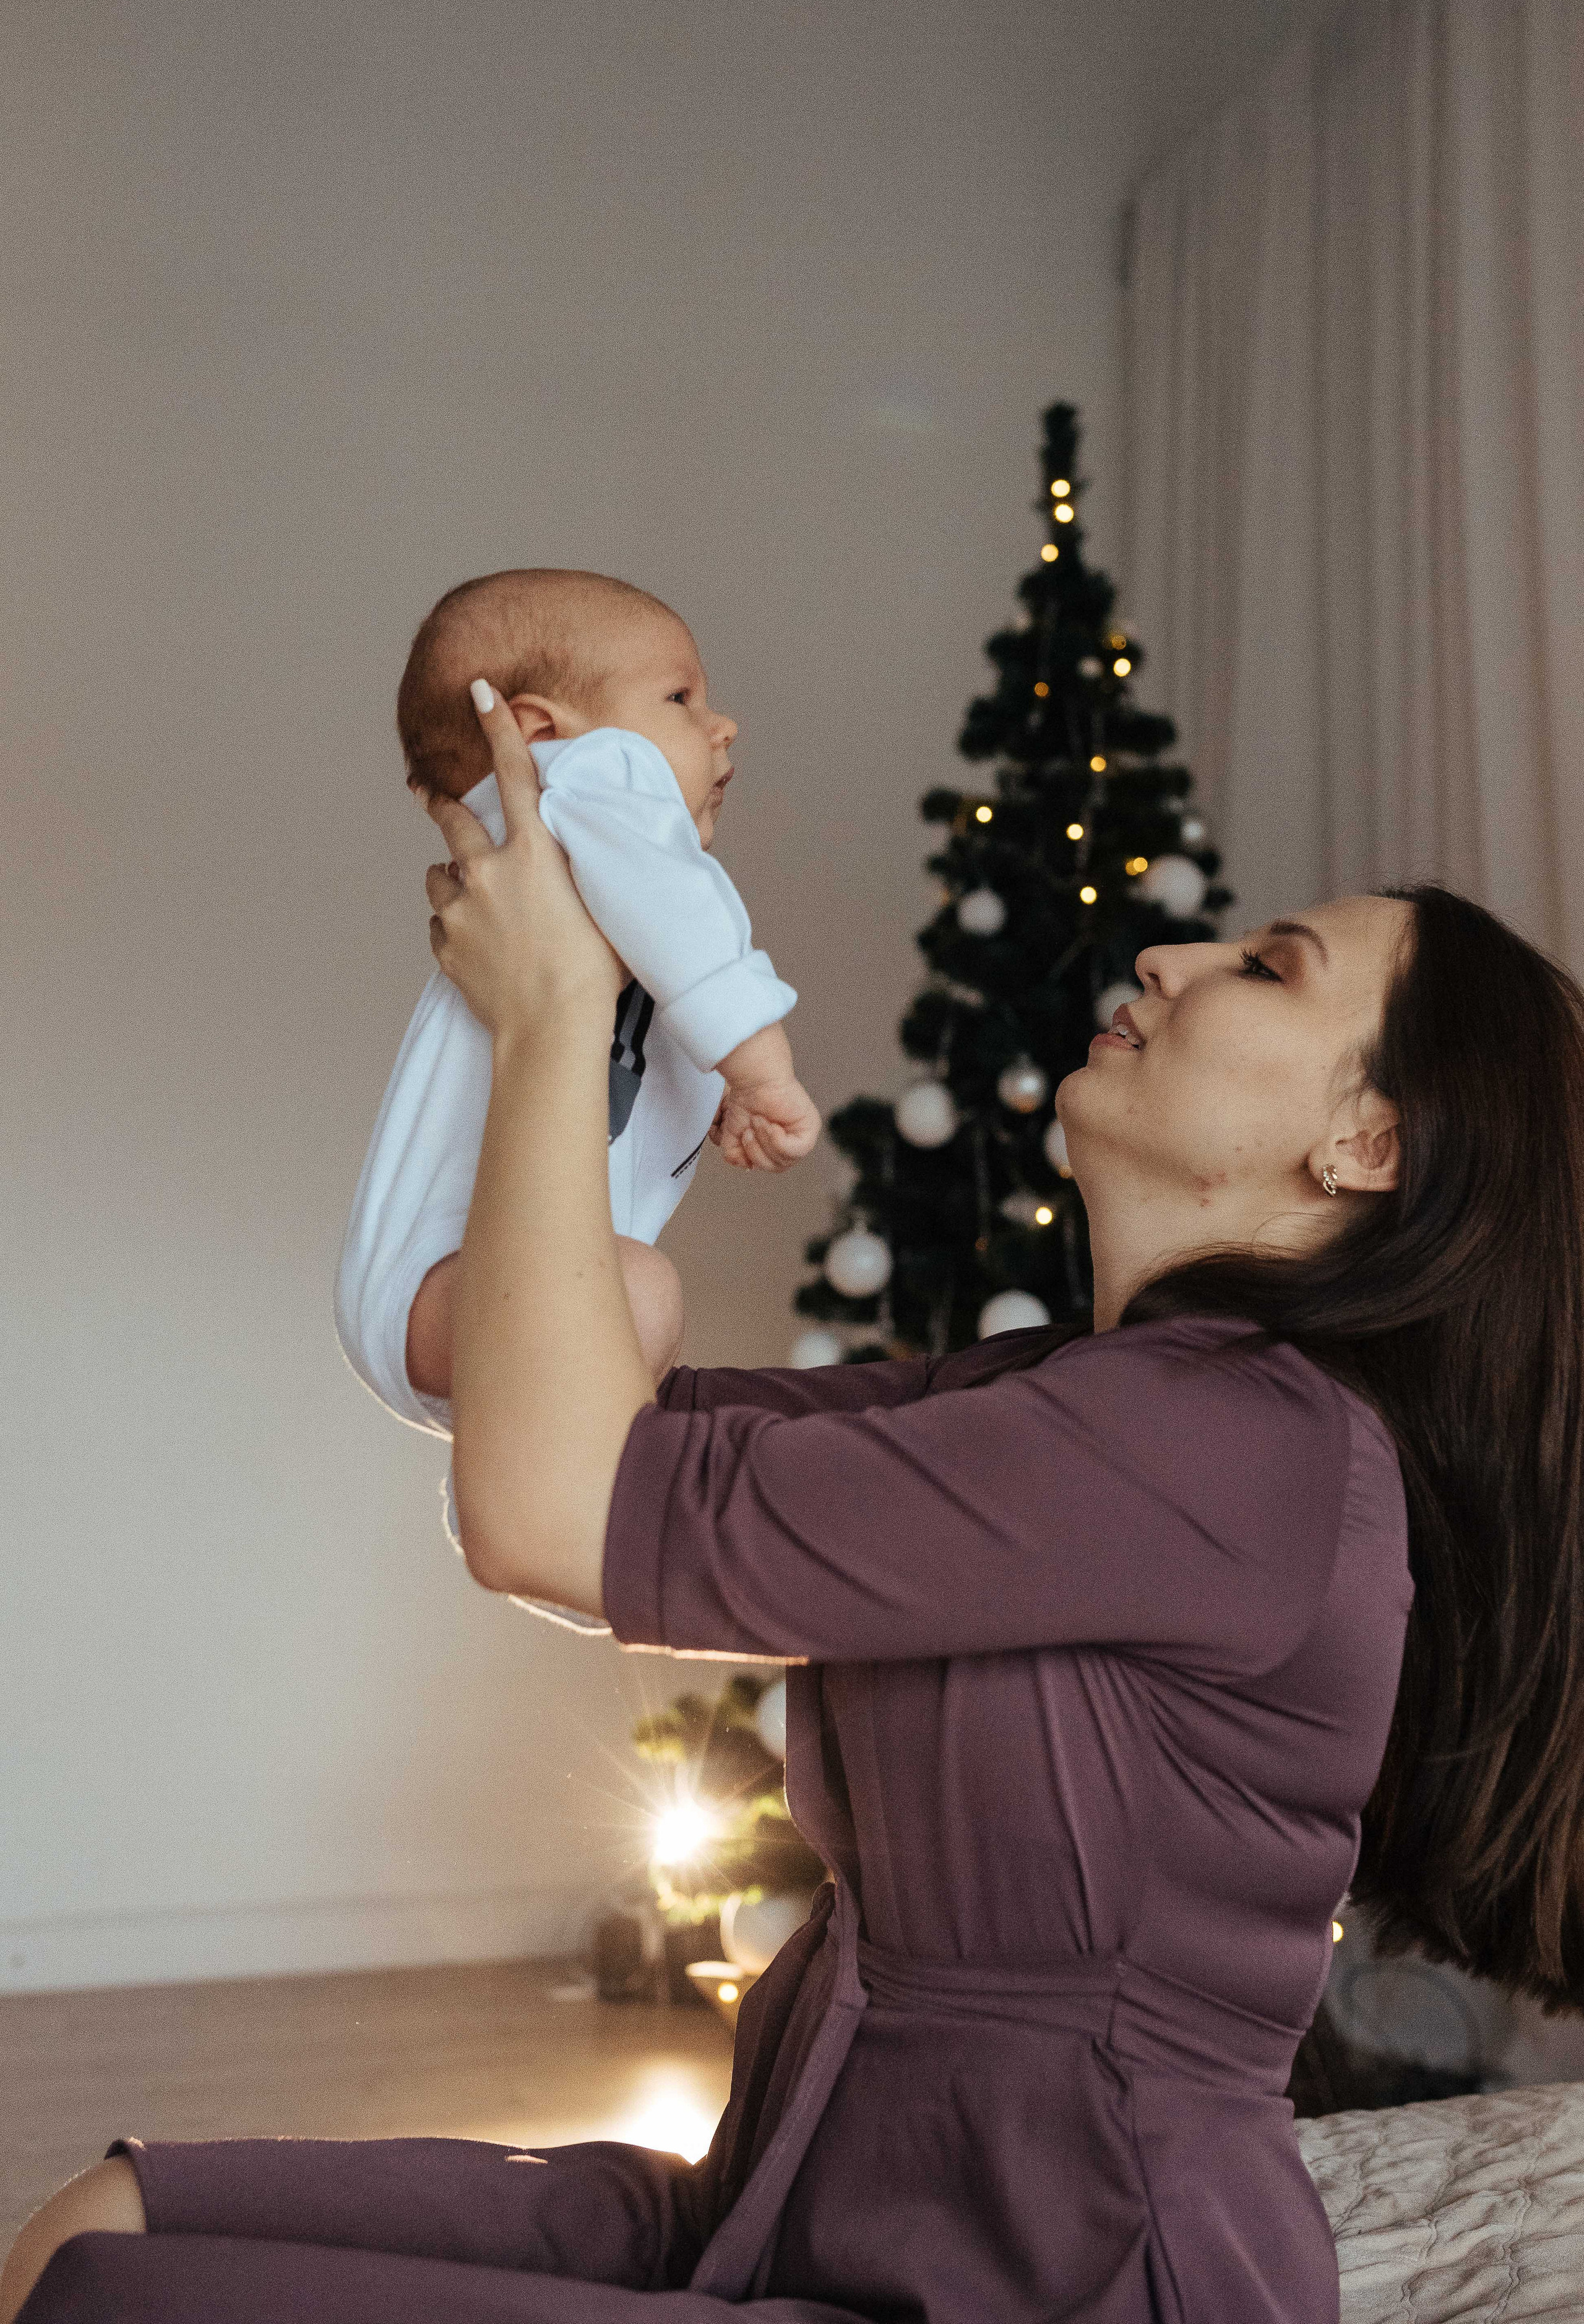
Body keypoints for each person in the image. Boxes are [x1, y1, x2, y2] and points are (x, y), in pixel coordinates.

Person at [11, 693, 1584, 2324]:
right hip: (791, 2210)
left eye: (1265, 969)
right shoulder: (1061, 1403)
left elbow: (549, 1509)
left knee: (122, 2304)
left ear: (1368, 1142)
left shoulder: (1242, 1446)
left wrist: (562, 1010)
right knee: (103, 2227)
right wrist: (594, 978)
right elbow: (569, 1421)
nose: (1170, 962)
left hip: (1054, 2282)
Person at [334, 568, 820, 1625]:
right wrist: (759, 1062)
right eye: (681, 699)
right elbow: (685, 928)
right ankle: (532, 1500)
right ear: (539, 729)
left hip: (440, 1294)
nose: (722, 723)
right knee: (642, 1296)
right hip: (454, 1284)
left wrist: (716, 1087)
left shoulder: (565, 846)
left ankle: (524, 1490)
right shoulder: (593, 782)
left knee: (639, 1295)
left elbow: (644, 1007)